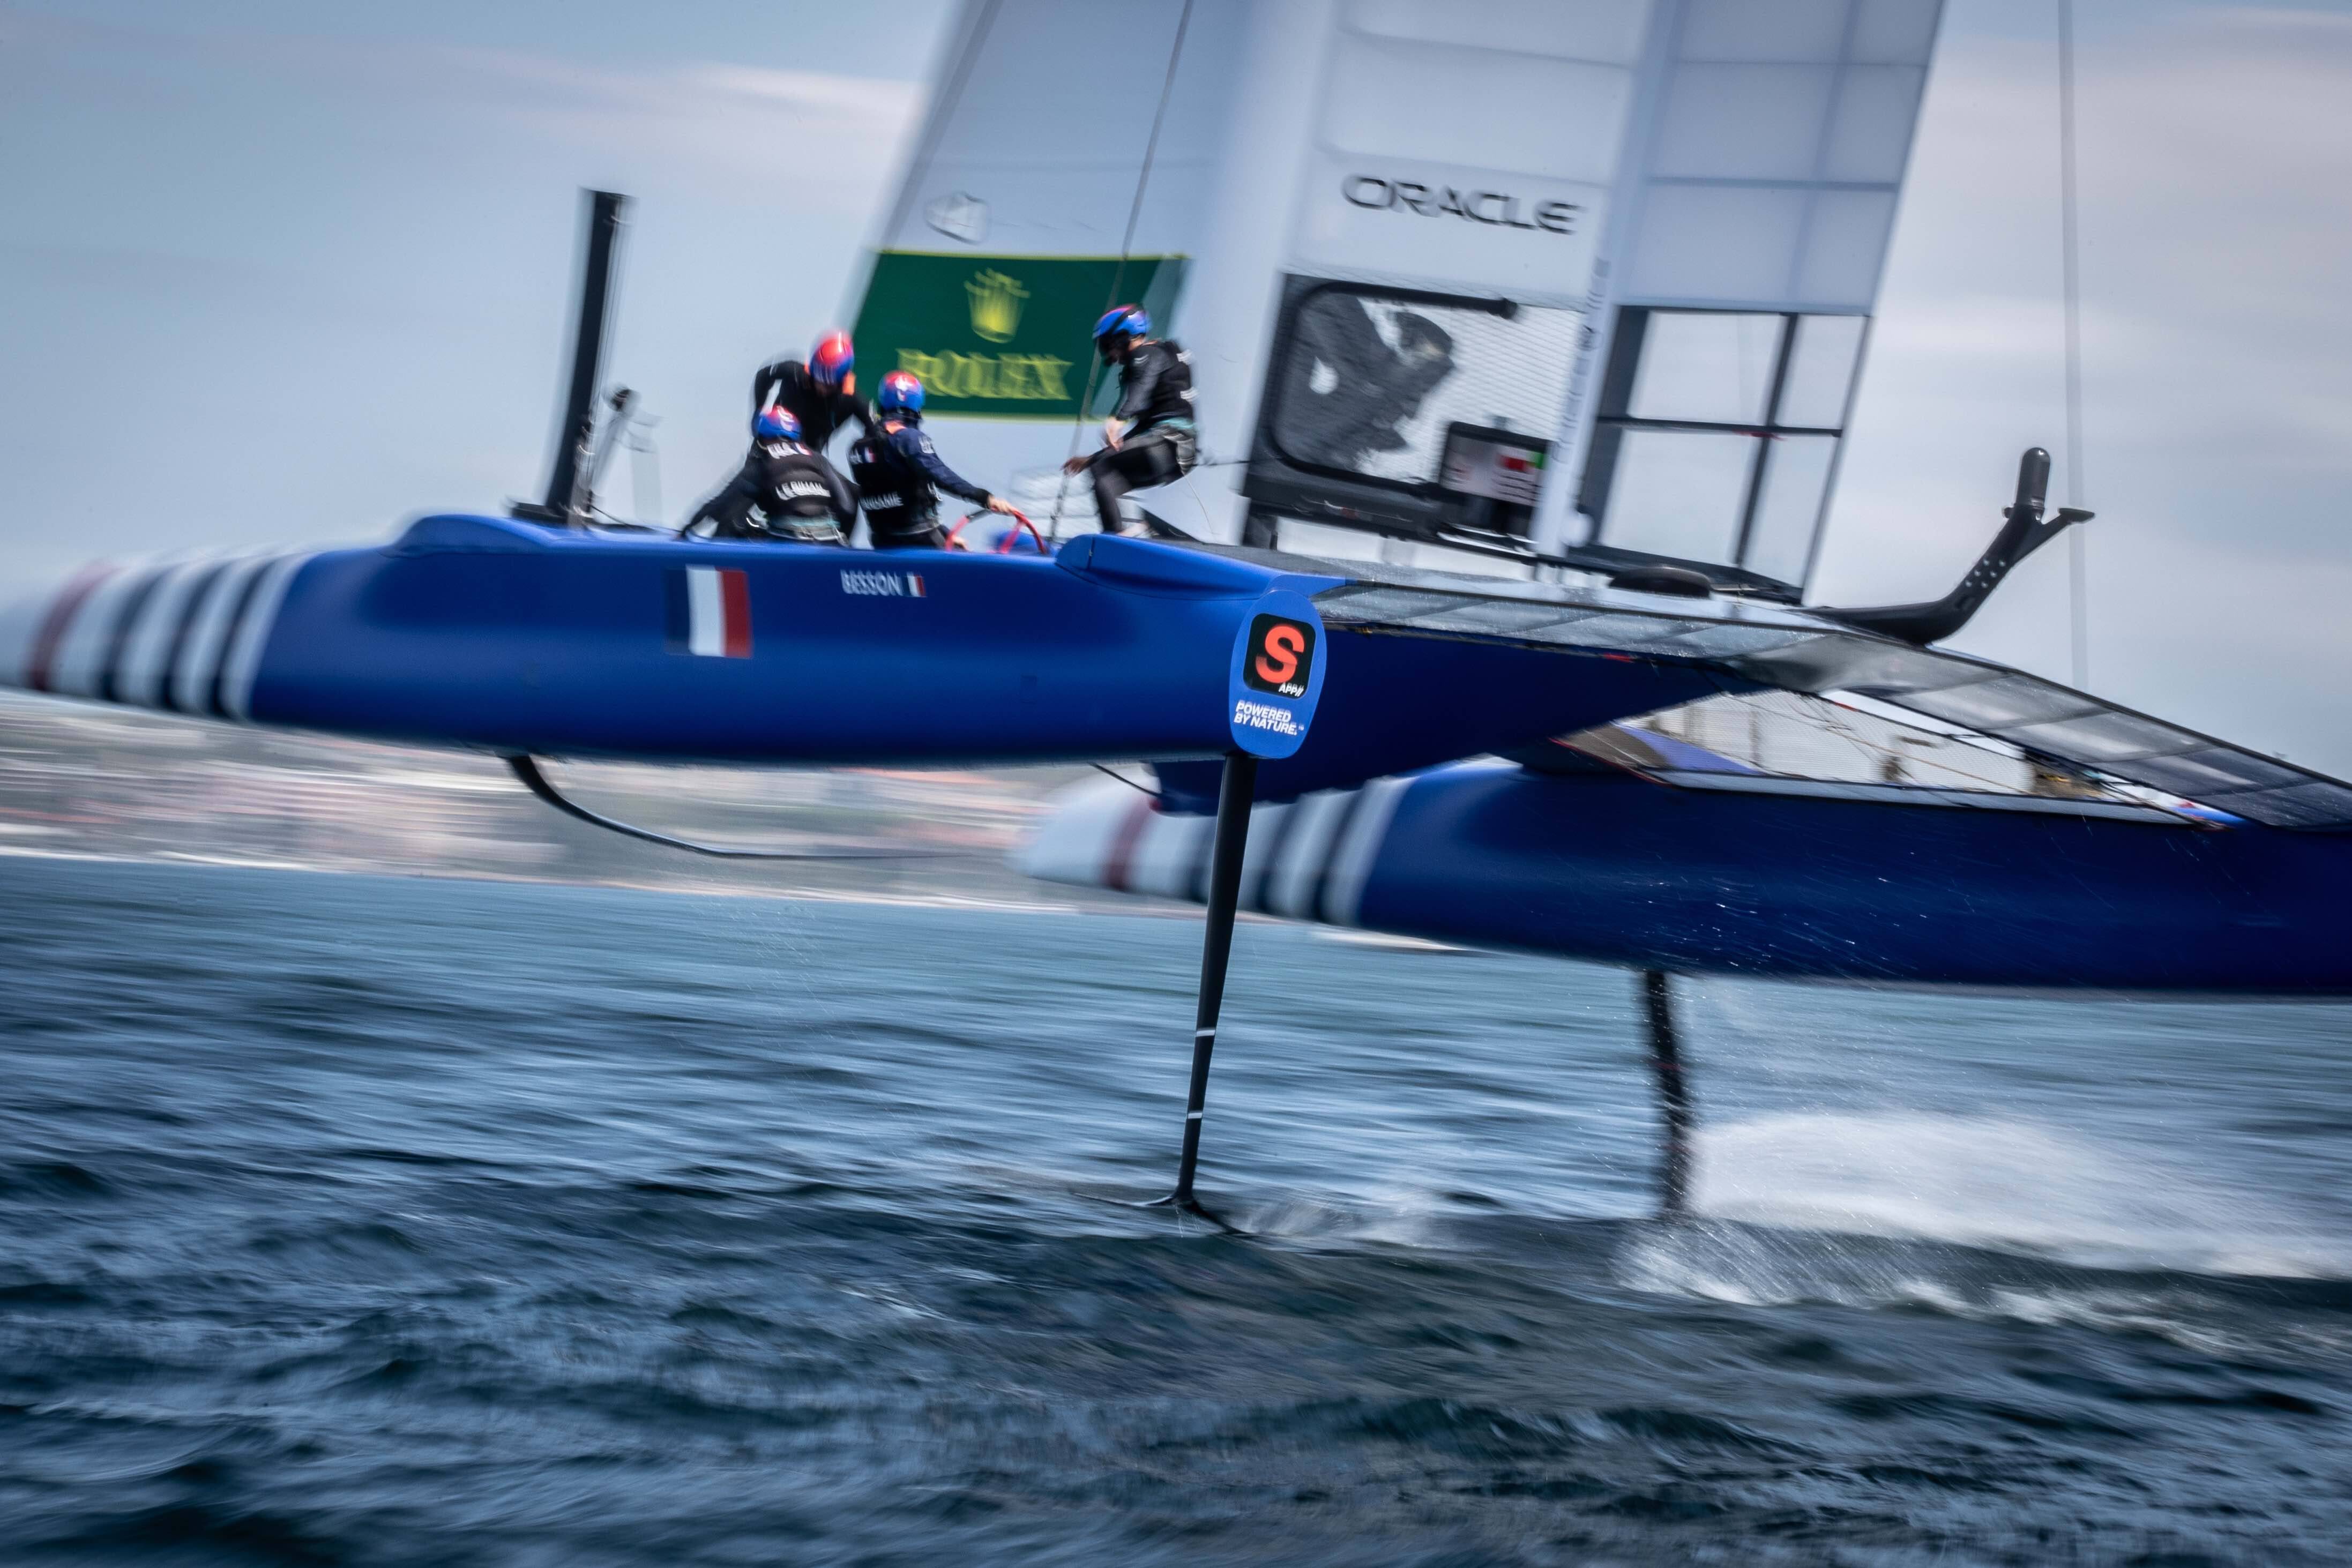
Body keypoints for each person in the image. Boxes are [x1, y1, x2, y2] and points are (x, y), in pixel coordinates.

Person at [1061, 305, 1197, 534]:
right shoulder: (1163, 354)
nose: (1110, 357)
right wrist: (1093, 458)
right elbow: (1143, 430)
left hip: (1170, 443)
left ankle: (1116, 539)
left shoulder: (1148, 354)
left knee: (1103, 469)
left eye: (1107, 346)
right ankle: (1120, 540)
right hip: (1174, 452)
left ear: (1124, 336)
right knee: (1105, 476)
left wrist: (1118, 419)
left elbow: (1141, 390)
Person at [847, 371, 1016, 550]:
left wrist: (945, 534)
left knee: (956, 546)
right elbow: (940, 475)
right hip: (919, 539)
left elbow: (898, 499)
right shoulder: (909, 438)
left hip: (881, 541)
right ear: (916, 404)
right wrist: (986, 498)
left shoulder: (857, 447)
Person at [684, 406, 856, 544]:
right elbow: (847, 506)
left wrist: (688, 529)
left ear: (762, 439)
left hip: (789, 545)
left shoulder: (761, 463)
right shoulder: (818, 458)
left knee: (735, 527)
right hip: (830, 543)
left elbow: (721, 504)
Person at [749, 330, 868, 457]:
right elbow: (764, 375)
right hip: (772, 443)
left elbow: (876, 428)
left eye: (828, 386)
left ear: (840, 382)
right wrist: (759, 411)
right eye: (818, 380)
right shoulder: (794, 372)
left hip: (809, 456)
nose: (821, 387)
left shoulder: (851, 399)